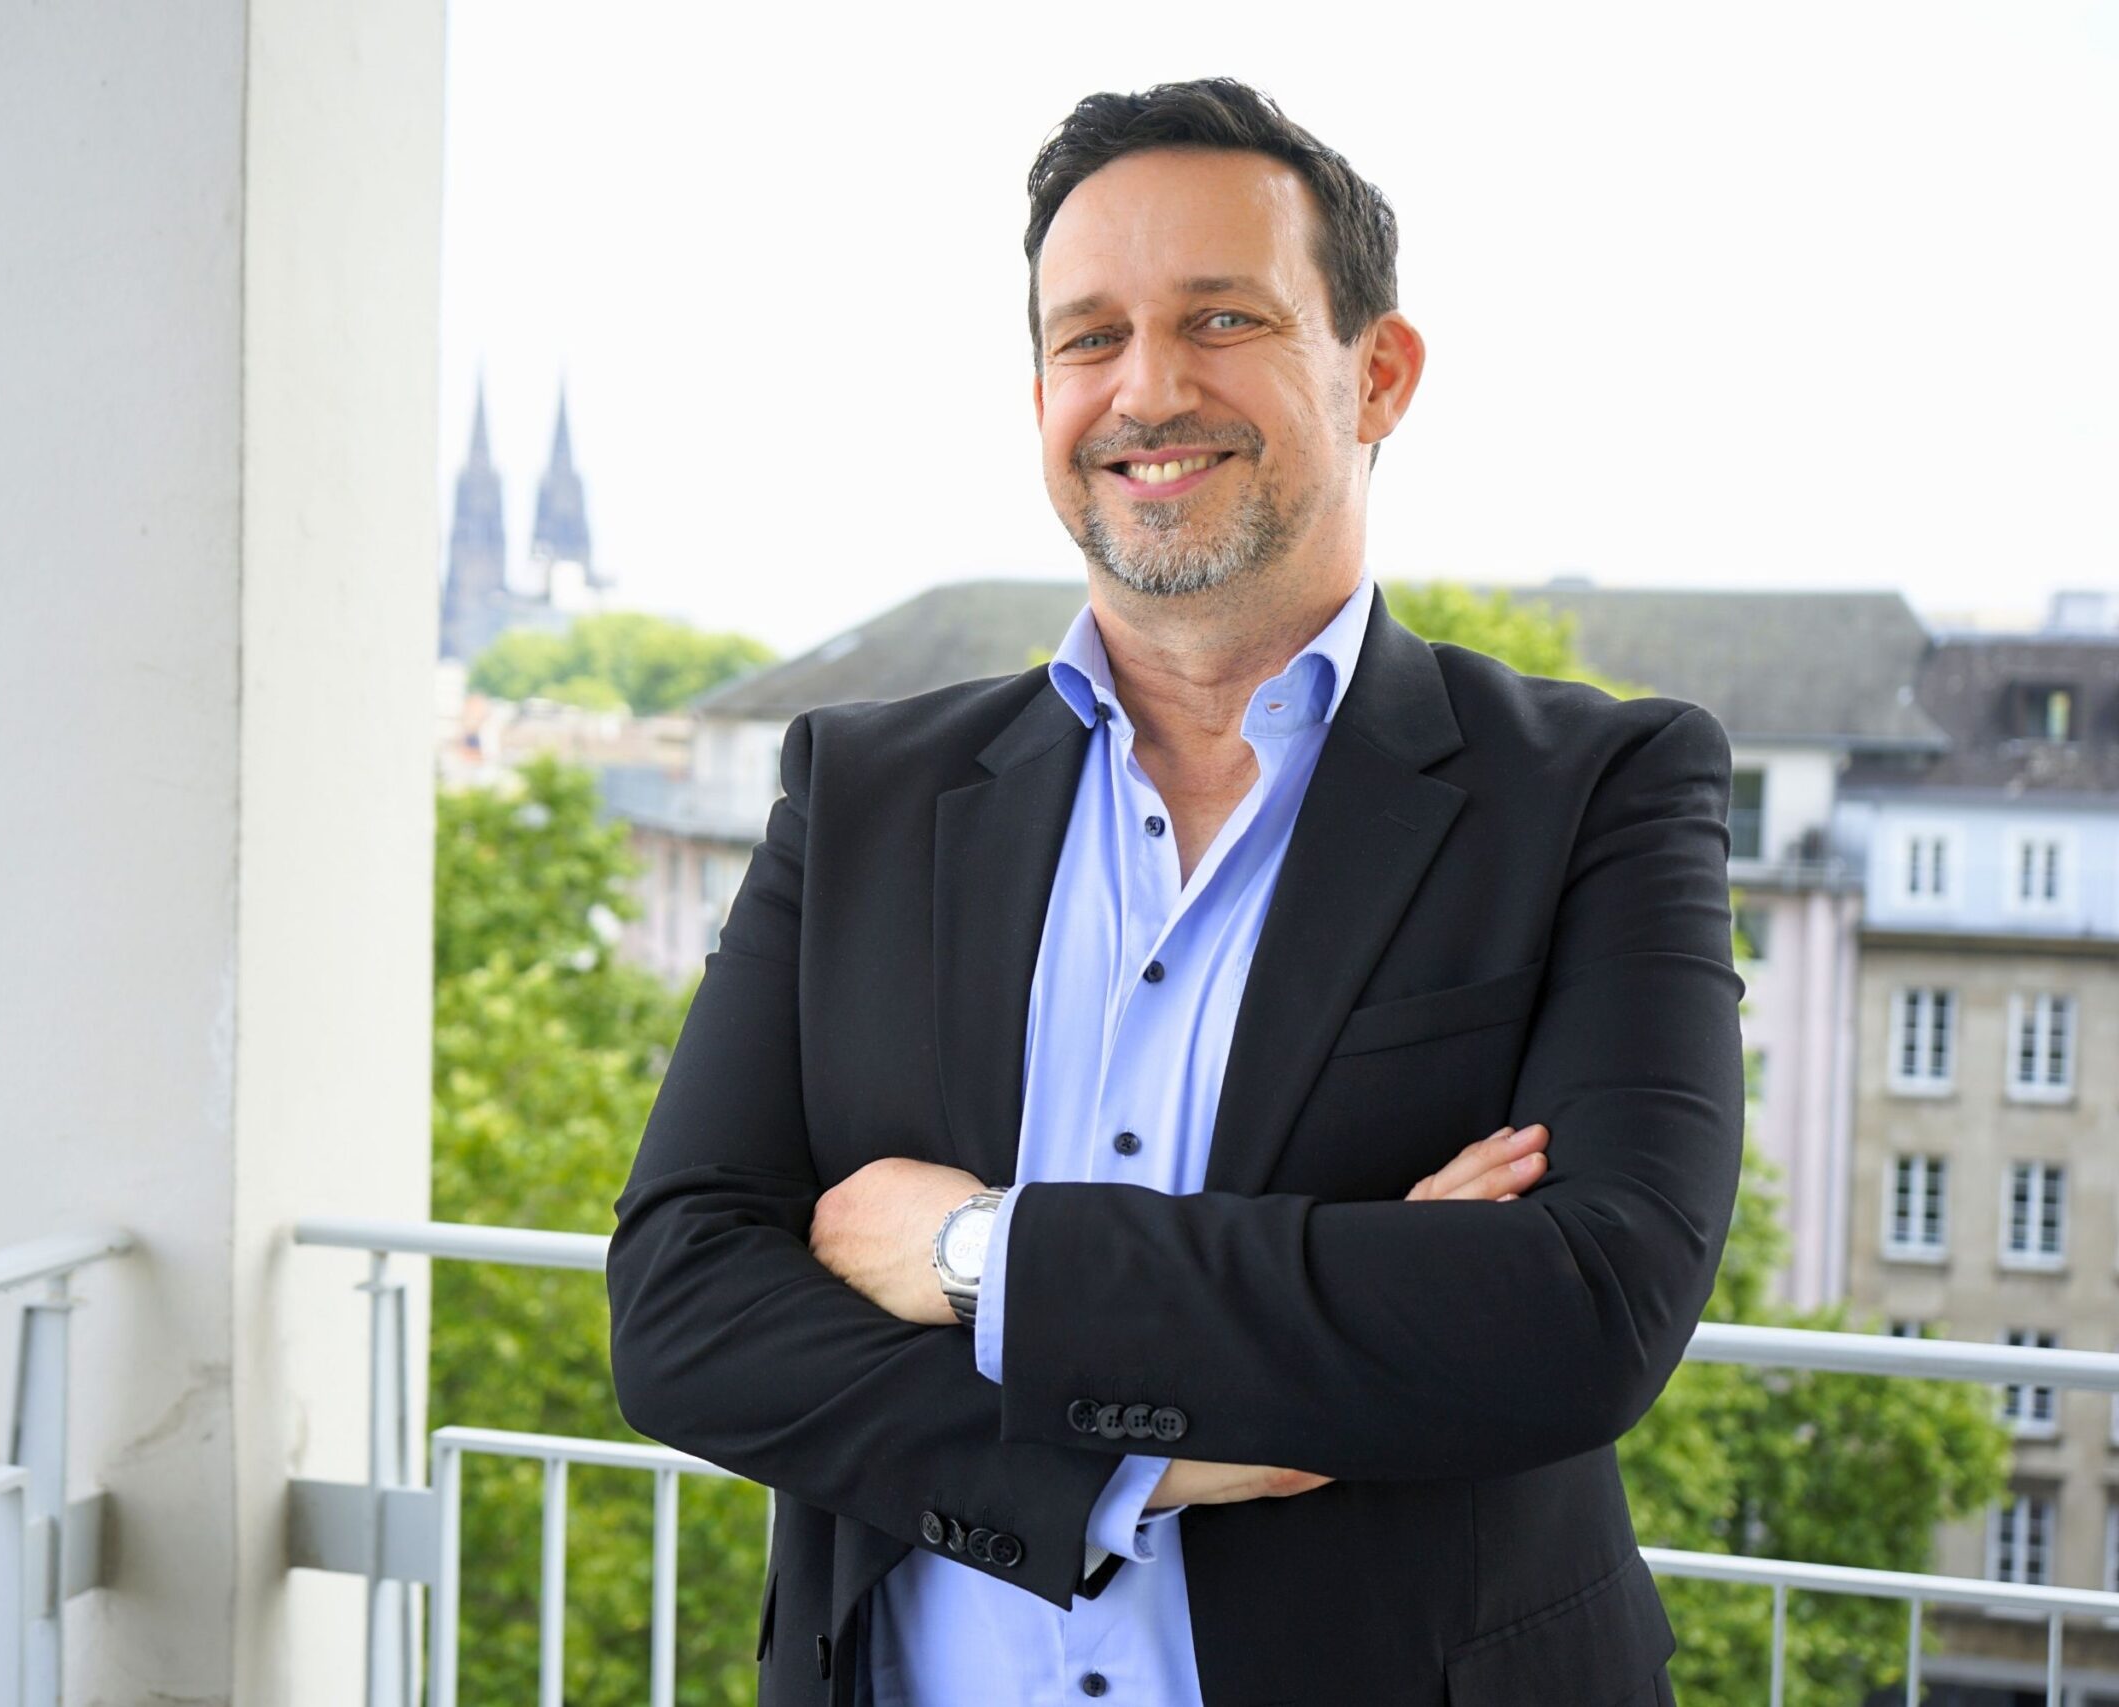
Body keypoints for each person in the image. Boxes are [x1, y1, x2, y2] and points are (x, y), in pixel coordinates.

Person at [606, 75, 1743, 1707]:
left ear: (1377, 373)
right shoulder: (862, 793)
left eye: (1222, 319)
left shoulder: (1594, 789)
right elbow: (682, 1311)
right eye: (1091, 338)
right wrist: (1132, 1463)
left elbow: (1582, 1313)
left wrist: (981, 1255)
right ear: (1042, 396)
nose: (1147, 389)